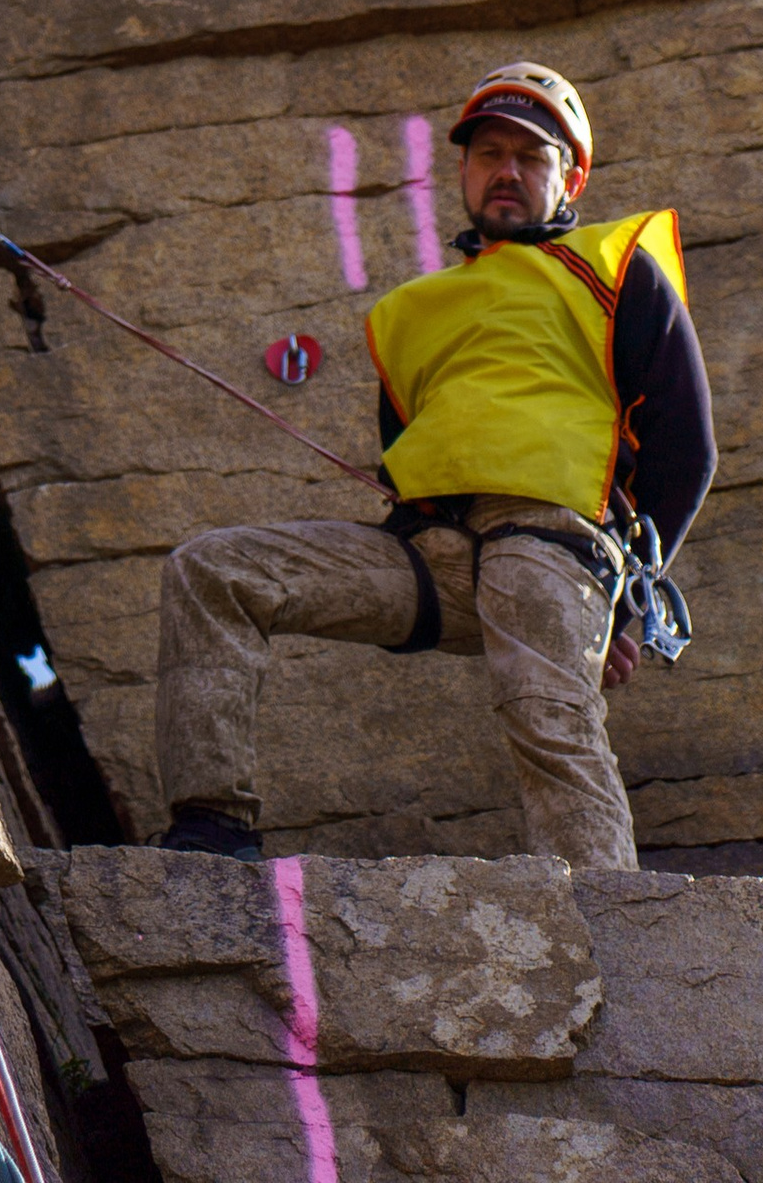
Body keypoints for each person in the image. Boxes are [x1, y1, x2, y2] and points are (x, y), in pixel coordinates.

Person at [150, 63, 714, 870]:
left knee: (548, 718)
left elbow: (685, 448)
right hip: (429, 554)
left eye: (532, 155)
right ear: (463, 170)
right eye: (489, 153)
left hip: (551, 543)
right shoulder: (408, 314)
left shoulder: (614, 271)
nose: (507, 171)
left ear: (571, 177)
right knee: (213, 572)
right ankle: (211, 829)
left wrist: (623, 605)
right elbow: (401, 461)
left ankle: (607, 912)